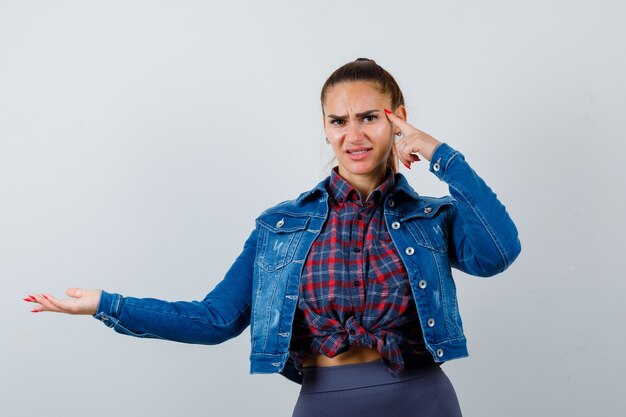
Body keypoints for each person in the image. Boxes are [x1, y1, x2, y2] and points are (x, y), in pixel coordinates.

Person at [24, 58, 521, 417]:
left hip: (422, 400)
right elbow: (215, 319)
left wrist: (441, 155)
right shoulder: (281, 227)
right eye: (338, 121)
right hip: (323, 402)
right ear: (325, 128)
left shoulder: (429, 217)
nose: (354, 135)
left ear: (398, 118)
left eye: (370, 117)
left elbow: (498, 253)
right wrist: (104, 304)